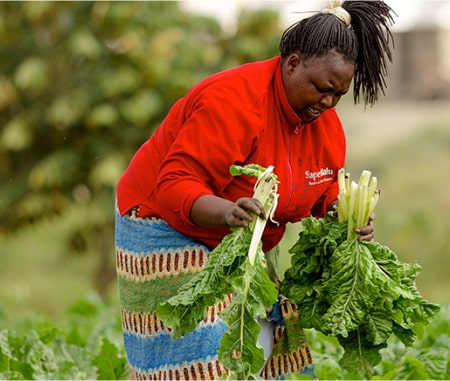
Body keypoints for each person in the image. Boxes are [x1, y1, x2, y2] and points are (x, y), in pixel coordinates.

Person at [114, 0, 395, 379]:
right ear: (292, 63)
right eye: (321, 88)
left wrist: (344, 216)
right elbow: (174, 184)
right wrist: (226, 212)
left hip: (242, 238)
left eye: (338, 95)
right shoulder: (234, 103)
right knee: (202, 350)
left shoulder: (325, 125)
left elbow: (324, 187)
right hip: (164, 223)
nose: (328, 103)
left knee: (265, 345)